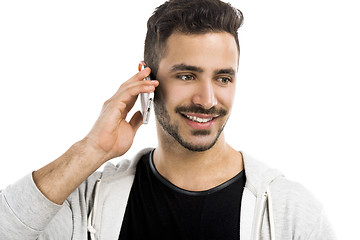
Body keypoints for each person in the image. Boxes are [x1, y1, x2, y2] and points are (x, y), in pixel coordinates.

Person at [0, 0, 336, 239]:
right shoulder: (89, 201)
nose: (207, 100)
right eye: (188, 76)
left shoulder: (289, 212)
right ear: (147, 80)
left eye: (223, 78)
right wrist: (91, 150)